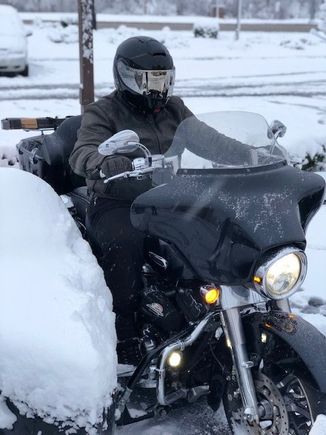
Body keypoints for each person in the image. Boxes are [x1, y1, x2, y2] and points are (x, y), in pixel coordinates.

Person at [69, 36, 251, 363]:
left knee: (214, 232)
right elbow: (82, 152)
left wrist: (252, 153)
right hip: (118, 200)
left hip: (167, 198)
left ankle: (208, 307)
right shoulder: (103, 112)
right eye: (151, 80)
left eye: (164, 79)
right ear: (126, 77)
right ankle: (124, 329)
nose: (159, 88)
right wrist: (103, 162)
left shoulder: (174, 109)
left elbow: (212, 141)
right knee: (124, 244)